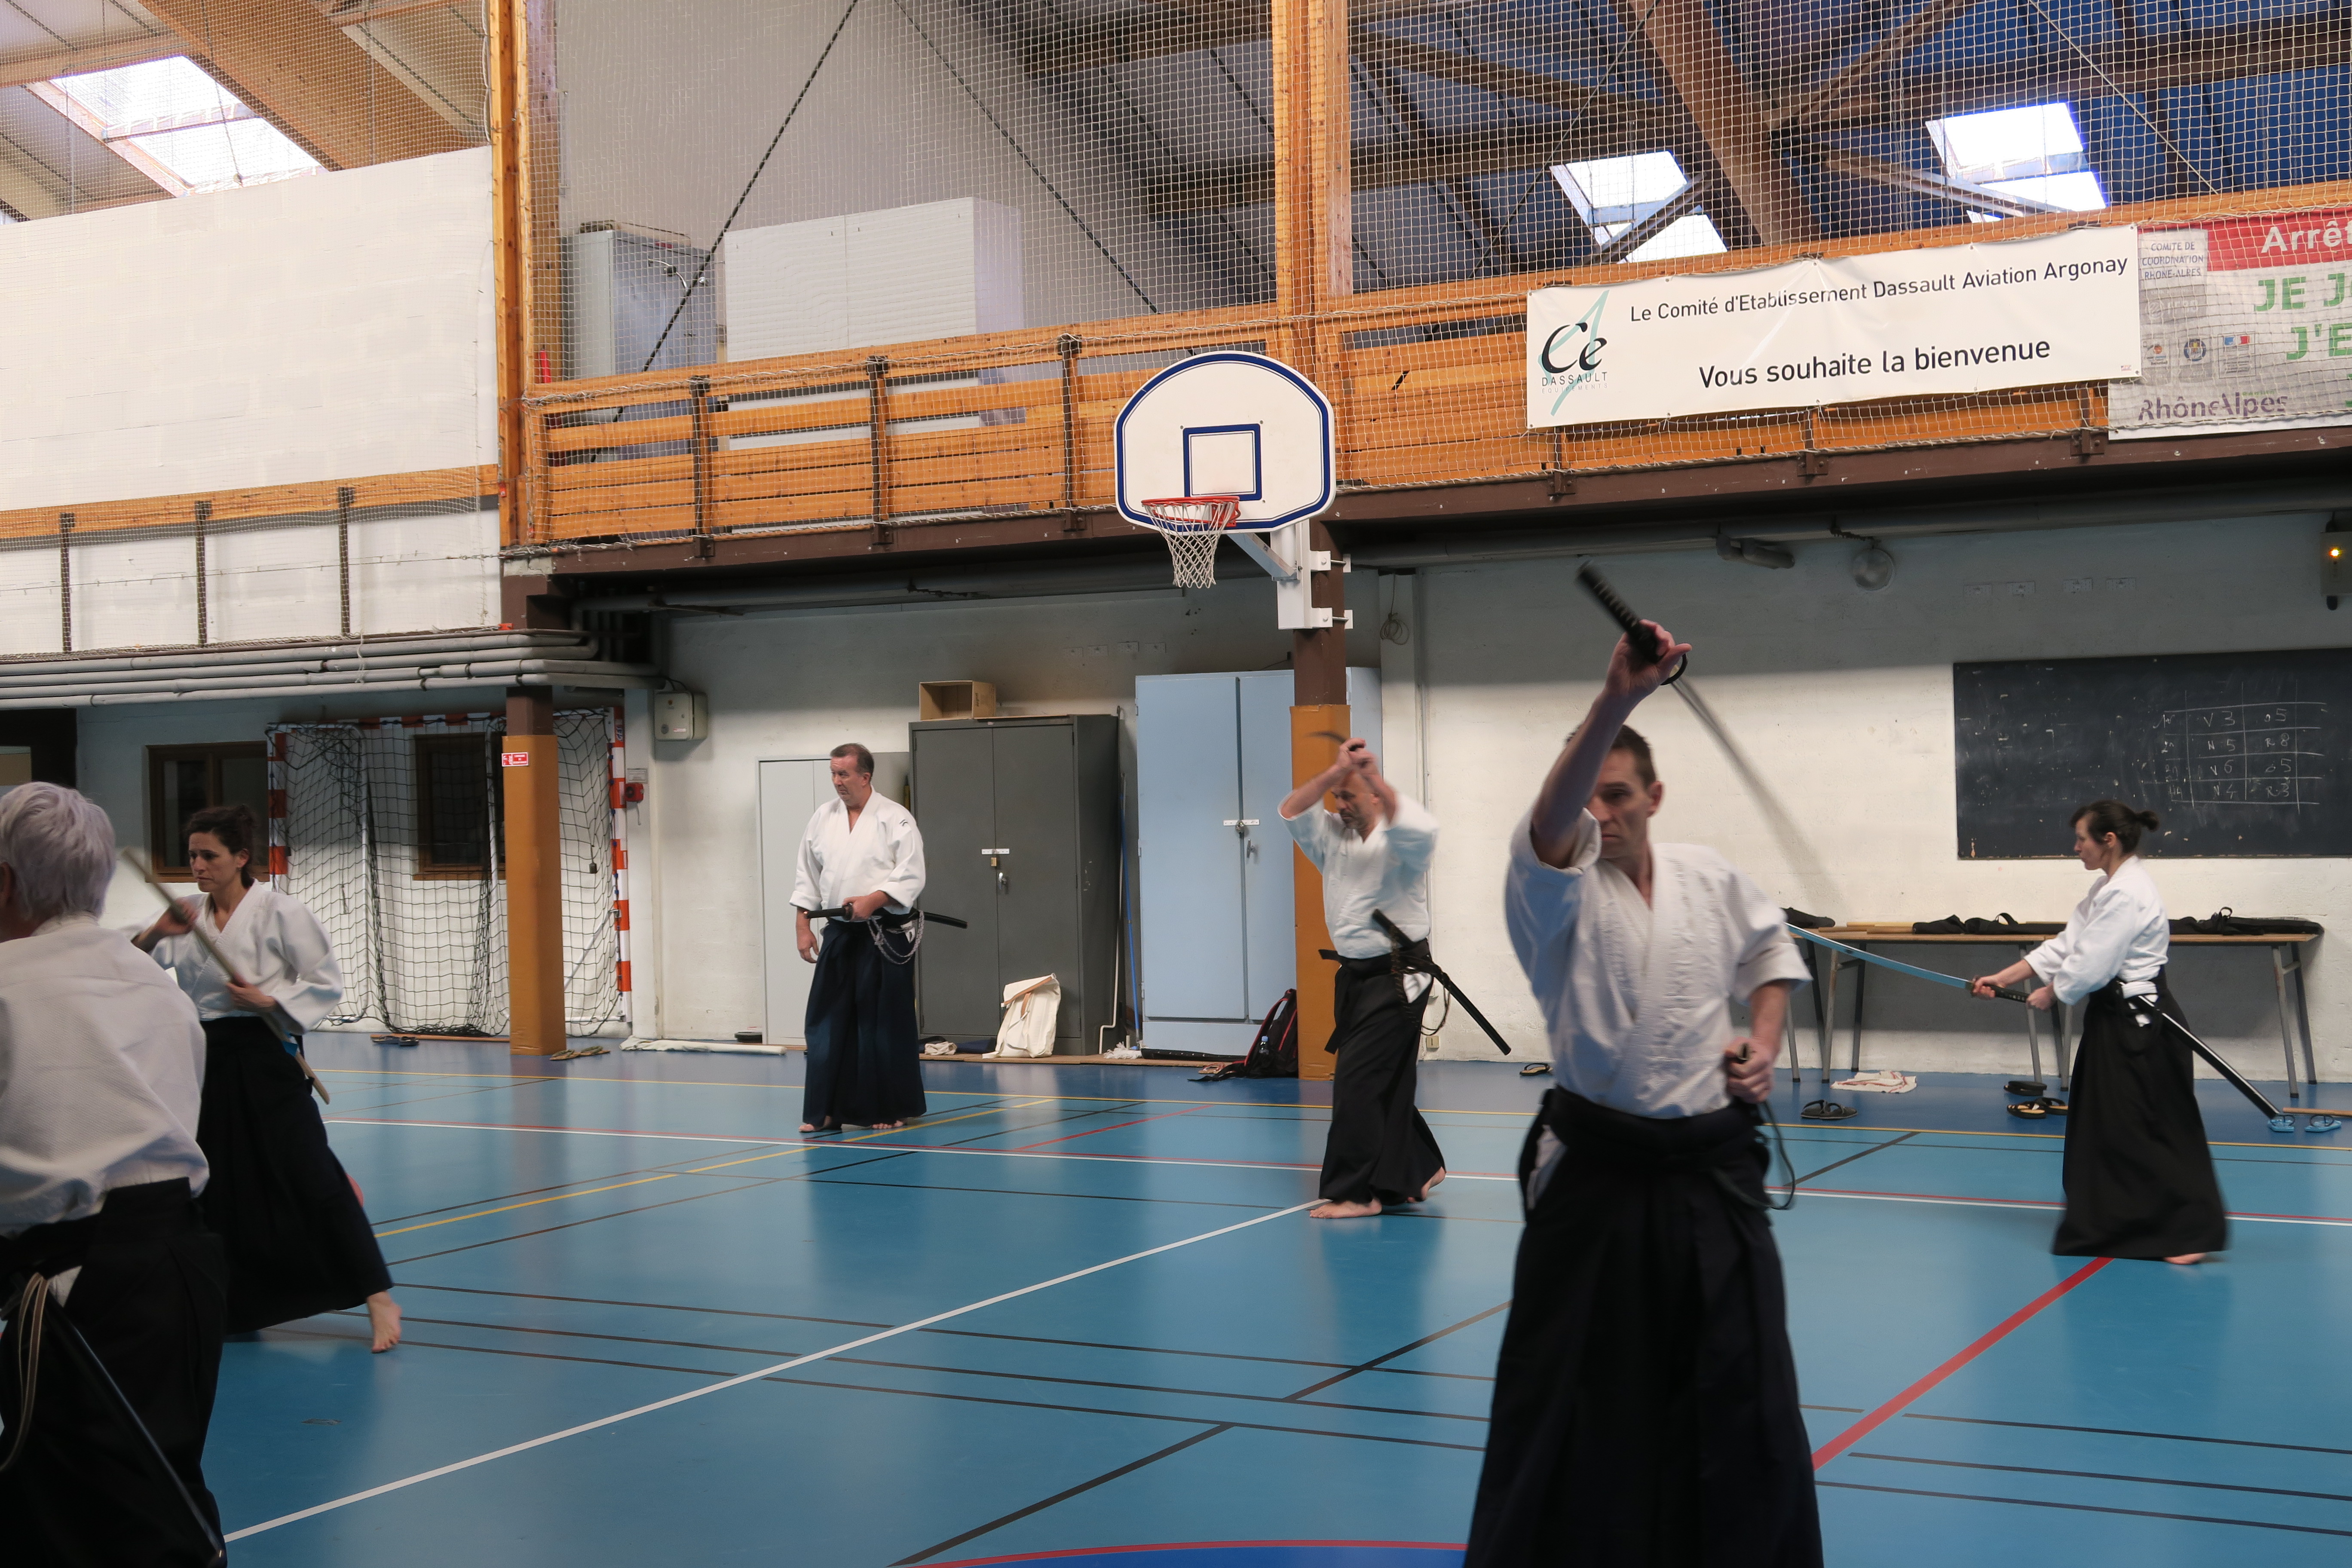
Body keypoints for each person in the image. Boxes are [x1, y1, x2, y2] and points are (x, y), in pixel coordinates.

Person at [1464, 622, 1820, 1568]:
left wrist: (1763, 1044)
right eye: (1590, 794)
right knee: (1579, 1395)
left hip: (1714, 1169)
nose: (1602, 813)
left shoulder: (1710, 875)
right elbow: (1552, 820)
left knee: (1741, 1387)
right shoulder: (1552, 889)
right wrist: (1618, 696)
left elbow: (1770, 953)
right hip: (1599, 1174)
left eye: (1618, 795)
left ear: (1654, 797)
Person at [0, 783, 227, 1564]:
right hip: (183, 1273)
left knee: (70, 1516)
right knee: (158, 1494)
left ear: (4, 882)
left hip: (80, 1285)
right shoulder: (154, 986)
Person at [135, 802, 402, 1352]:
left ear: (241, 858)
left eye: (209, 856)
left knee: (309, 1170)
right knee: (217, 1184)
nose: (198, 866)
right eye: (192, 856)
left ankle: (377, 1294)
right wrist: (157, 933)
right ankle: (236, 1305)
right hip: (205, 1056)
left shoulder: (280, 911)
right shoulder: (184, 915)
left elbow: (325, 981)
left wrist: (270, 1000)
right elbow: (128, 967)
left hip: (266, 1050)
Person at [1969, 801, 2226, 1265]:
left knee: (2150, 1125)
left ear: (2109, 840)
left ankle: (2186, 1233)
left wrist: (2053, 993)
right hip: (2113, 1019)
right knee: (2108, 1125)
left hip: (2139, 1025)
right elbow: (2068, 945)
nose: (2076, 847)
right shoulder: (2106, 888)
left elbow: (2093, 963)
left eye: (2082, 838)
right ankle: (2121, 1225)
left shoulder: (2127, 893)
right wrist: (2003, 977)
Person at [1280, 738, 1445, 1219]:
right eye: (1337, 798)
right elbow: (1292, 810)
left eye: (1350, 797)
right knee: (1385, 1079)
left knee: (1358, 1081)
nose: (1341, 806)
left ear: (1375, 795)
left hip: (1400, 974)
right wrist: (1336, 774)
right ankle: (1419, 1167)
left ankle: (1355, 1193)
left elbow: (1424, 829)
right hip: (1356, 974)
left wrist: (1372, 775)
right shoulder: (1332, 836)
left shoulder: (1402, 841)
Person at [793, 743, 928, 1133]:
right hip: (839, 932)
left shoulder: (895, 818)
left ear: (865, 777)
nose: (837, 781)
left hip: (883, 933)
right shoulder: (823, 817)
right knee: (826, 1022)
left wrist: (875, 899)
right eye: (834, 774)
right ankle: (825, 1111)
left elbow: (912, 873)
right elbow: (807, 875)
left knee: (881, 1024)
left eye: (844, 774)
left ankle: (888, 1108)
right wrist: (803, 926)